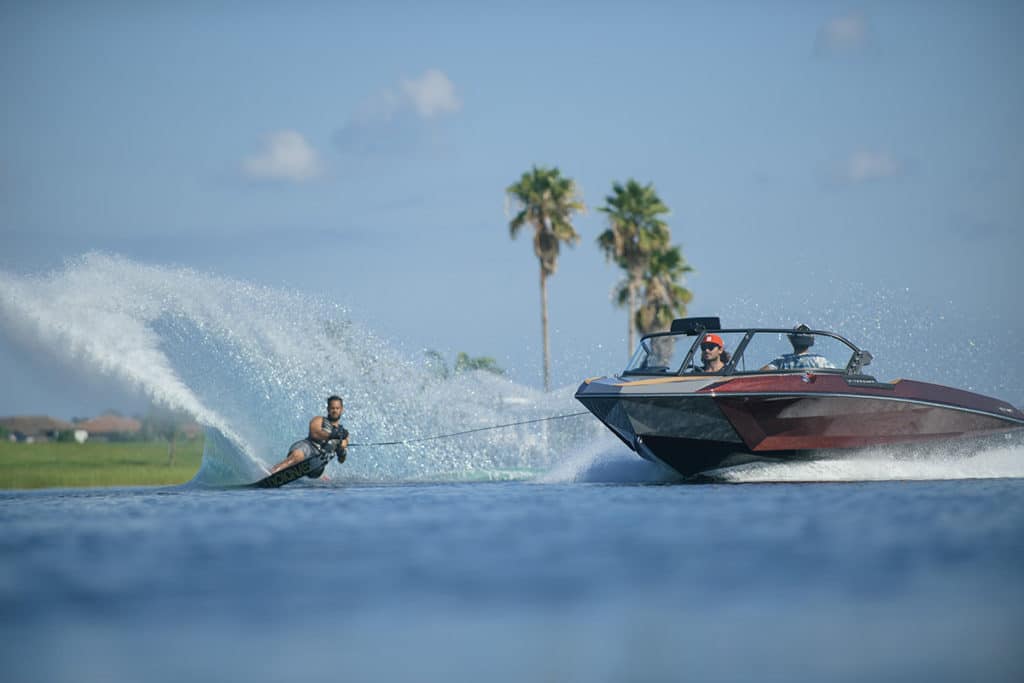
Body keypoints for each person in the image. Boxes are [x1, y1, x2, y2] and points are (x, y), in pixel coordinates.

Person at [269, 395, 350, 476]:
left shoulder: (344, 433)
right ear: (328, 409)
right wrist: (333, 435)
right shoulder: (319, 420)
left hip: (318, 463)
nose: (335, 411)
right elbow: (314, 433)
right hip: (309, 447)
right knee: (297, 456)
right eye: (332, 408)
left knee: (319, 467)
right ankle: (271, 473)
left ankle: (320, 475)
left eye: (337, 408)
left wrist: (341, 452)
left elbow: (341, 460)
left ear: (341, 409)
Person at [762, 324, 836, 371]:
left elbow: (762, 372)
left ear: (791, 340)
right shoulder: (819, 360)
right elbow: (836, 376)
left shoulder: (783, 360)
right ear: (812, 340)